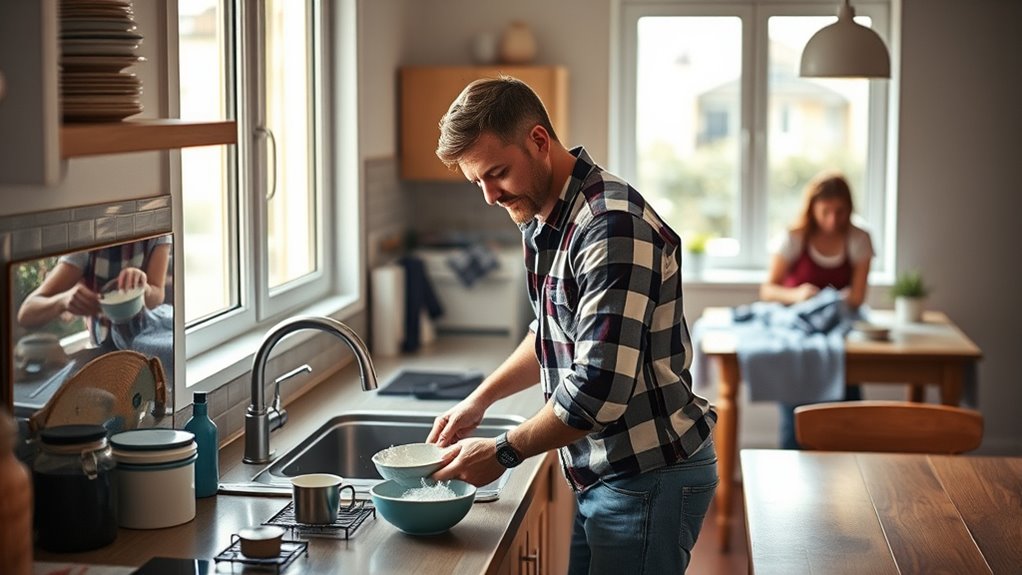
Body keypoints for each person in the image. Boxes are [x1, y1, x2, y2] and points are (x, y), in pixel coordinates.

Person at [426, 76, 718, 574]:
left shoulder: (611, 226)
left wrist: (500, 452)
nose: (490, 196)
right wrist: (480, 399)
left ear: (539, 141)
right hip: (604, 473)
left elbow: (599, 389)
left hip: (647, 476)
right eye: (478, 182)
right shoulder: (544, 216)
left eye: (497, 173)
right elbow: (550, 330)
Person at [759, 172, 874, 449]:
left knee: (847, 409)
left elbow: (857, 298)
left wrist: (829, 301)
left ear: (849, 209)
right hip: (799, 333)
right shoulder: (794, 238)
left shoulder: (859, 239)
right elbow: (768, 290)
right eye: (826, 212)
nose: (833, 220)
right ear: (812, 208)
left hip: (839, 330)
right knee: (795, 411)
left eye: (840, 211)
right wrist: (799, 295)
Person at [17, 236, 172, 348]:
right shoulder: (85, 245)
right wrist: (63, 301)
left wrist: (142, 288)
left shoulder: (157, 234)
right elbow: (27, 313)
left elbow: (157, 295)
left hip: (148, 343)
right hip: (103, 351)